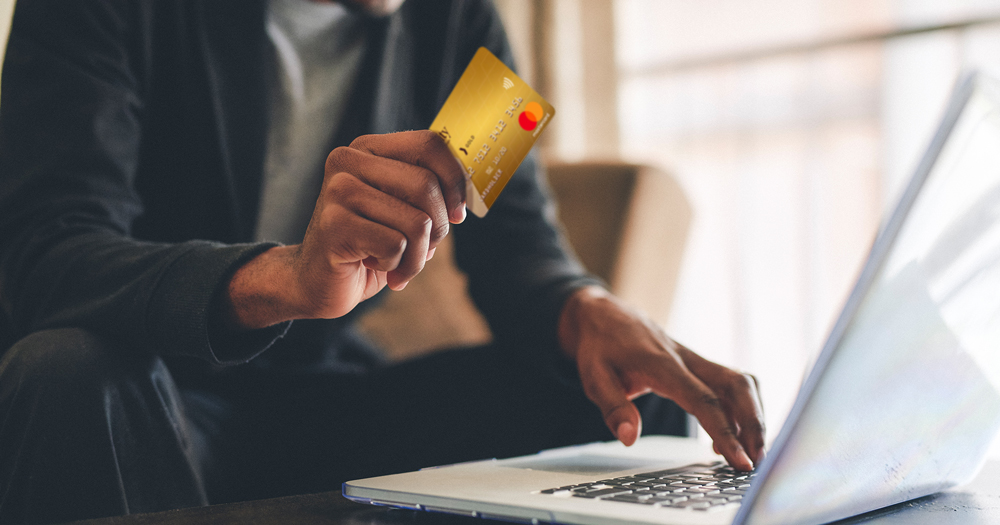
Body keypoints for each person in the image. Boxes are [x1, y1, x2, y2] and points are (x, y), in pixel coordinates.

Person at [0, 0, 765, 523]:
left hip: (326, 405)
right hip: (150, 399)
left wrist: (586, 306)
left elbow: (520, 251)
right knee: (66, 371)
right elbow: (49, 251)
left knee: (627, 402)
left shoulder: (465, 21)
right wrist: (285, 278)